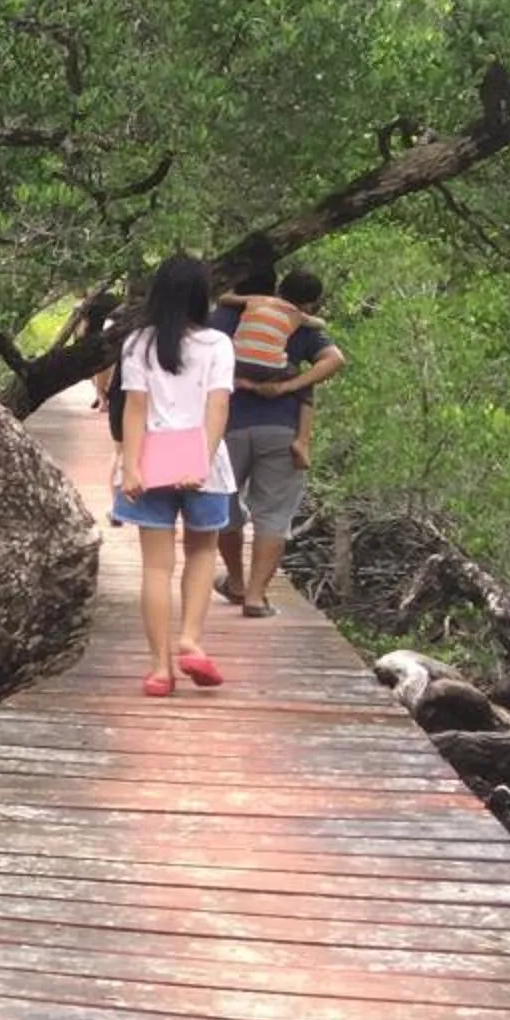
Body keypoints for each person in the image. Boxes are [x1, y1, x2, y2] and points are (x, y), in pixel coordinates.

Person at [114, 252, 234, 697]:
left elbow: (136, 408)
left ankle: (159, 670)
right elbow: (217, 405)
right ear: (202, 295)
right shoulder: (217, 345)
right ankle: (190, 640)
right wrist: (199, 461)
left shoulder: (137, 344)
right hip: (203, 464)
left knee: (155, 568)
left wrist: (130, 466)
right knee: (202, 554)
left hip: (149, 462)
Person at [212, 260, 343, 618]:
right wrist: (289, 385)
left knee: (223, 505)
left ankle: (236, 581)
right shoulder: (298, 321)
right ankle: (255, 596)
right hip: (282, 429)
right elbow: (334, 359)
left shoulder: (224, 317)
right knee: (274, 515)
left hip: (225, 427)